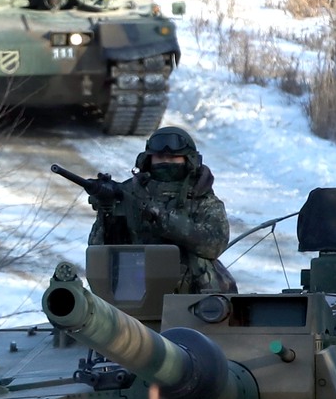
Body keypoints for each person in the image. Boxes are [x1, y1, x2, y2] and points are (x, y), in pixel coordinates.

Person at [85, 126, 235, 293]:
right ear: (147, 160)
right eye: (160, 157)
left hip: (190, 291)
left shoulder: (203, 198)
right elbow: (98, 249)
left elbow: (214, 245)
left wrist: (164, 219)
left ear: (189, 161)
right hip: (133, 287)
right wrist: (107, 214)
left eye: (174, 157)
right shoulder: (128, 192)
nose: (166, 162)